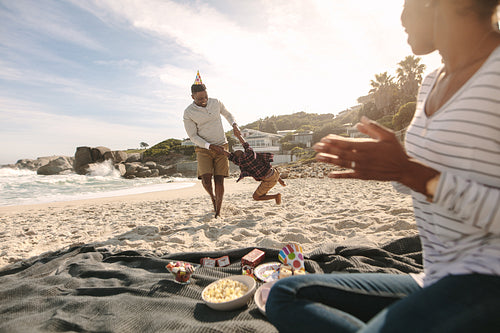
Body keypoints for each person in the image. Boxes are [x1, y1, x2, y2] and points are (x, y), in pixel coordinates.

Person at [266, 1, 500, 332]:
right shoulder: (432, 81)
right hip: (435, 276)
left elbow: (424, 178)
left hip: (489, 281)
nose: (402, 17)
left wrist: (410, 172)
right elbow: (435, 174)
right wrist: (389, 166)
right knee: (285, 294)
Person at [183, 71, 239, 218]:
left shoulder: (215, 102)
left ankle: (218, 212)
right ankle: (213, 197)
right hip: (203, 149)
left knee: (219, 180)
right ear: (192, 97)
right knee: (207, 180)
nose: (204, 100)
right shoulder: (188, 112)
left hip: (222, 146)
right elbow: (193, 136)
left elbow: (227, 114)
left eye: (206, 96)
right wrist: (210, 146)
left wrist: (234, 125)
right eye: (200, 98)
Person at [219, 126, 286, 204]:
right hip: (274, 172)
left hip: (268, 180)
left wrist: (218, 149)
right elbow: (245, 144)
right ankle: (281, 181)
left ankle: (276, 196)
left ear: (237, 157)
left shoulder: (240, 162)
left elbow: (229, 155)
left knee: (256, 197)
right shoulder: (249, 153)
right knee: (268, 169)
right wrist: (238, 136)